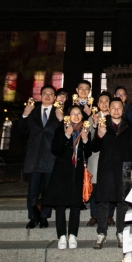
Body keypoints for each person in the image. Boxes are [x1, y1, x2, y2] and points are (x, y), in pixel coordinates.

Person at [90, 97, 132, 249]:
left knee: (122, 202)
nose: (116, 110)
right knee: (103, 202)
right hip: (106, 168)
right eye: (113, 107)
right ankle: (101, 233)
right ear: (108, 109)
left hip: (124, 168)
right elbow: (94, 147)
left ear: (122, 109)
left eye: (119, 107)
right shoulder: (102, 125)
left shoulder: (129, 127)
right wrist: (99, 134)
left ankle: (121, 233)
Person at [42, 105, 91, 249]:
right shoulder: (61, 129)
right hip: (62, 172)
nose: (76, 116)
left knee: (75, 205)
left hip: (77, 172)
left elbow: (87, 153)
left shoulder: (85, 129)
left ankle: (73, 236)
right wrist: (67, 136)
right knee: (60, 205)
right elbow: (55, 150)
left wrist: (86, 139)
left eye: (79, 114)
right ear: (68, 116)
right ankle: (62, 236)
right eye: (73, 113)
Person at [20, 84, 63, 229]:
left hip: (51, 157)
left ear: (55, 97)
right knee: (32, 191)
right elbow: (22, 130)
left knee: (48, 191)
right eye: (45, 93)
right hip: (34, 158)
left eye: (51, 94)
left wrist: (62, 120)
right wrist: (25, 114)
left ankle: (44, 217)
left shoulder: (58, 113)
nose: (48, 96)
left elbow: (64, 136)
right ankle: (33, 217)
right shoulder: (32, 112)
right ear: (40, 96)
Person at [86, 91, 116, 227]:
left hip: (110, 158)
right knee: (95, 188)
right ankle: (94, 215)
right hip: (96, 158)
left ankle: (109, 215)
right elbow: (87, 138)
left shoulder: (114, 117)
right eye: (102, 101)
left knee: (110, 187)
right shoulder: (92, 118)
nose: (104, 103)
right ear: (97, 104)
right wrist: (94, 125)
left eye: (107, 101)